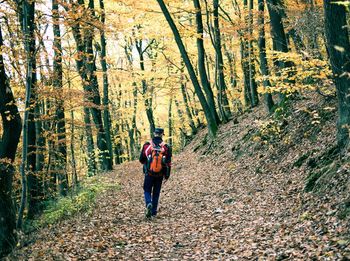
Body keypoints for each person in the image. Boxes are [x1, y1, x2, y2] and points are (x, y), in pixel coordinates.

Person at [139, 128, 172, 218]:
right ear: (162, 134)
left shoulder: (147, 145)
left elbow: (141, 159)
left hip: (149, 173)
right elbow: (168, 163)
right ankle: (153, 213)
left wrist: (147, 164)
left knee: (147, 190)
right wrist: (167, 175)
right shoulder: (166, 147)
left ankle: (148, 203)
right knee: (156, 193)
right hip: (160, 174)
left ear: (154, 133)